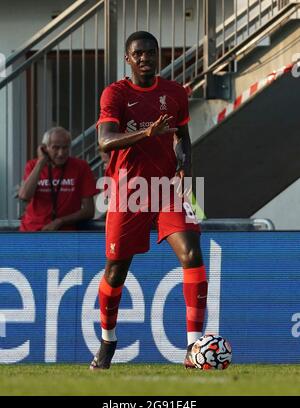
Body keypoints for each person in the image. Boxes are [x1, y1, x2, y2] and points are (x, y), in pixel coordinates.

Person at [90, 31, 208, 370]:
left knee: (192, 252)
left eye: (151, 52)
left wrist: (185, 167)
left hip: (167, 188)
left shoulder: (174, 93)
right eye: (138, 53)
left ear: (159, 55)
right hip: (128, 191)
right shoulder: (115, 93)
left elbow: (183, 139)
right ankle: (108, 342)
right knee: (116, 271)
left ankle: (193, 349)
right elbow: (104, 141)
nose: (145, 58)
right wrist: (145, 133)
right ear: (128, 58)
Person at [19, 126, 98, 231]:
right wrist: (41, 162)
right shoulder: (33, 165)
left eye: (65, 148)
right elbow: (24, 196)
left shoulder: (81, 167)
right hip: (32, 230)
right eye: (55, 148)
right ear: (45, 148)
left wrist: (61, 221)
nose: (61, 153)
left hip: (64, 234)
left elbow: (89, 211)